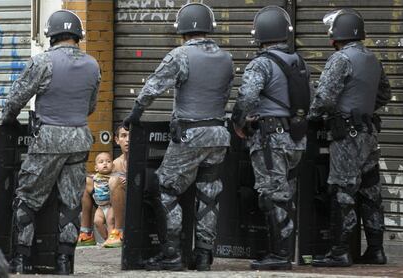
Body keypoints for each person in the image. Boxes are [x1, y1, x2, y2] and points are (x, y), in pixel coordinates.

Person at [123, 2, 233, 271]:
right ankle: (204, 255)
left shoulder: (181, 55)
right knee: (208, 194)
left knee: (165, 188)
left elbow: (153, 86)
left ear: (182, 29)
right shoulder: (226, 58)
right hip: (219, 134)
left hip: (190, 134)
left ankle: (171, 254)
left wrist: (134, 114)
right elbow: (226, 94)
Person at [2, 10, 101, 274]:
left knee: (27, 197)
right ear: (77, 35)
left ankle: (22, 259)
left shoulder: (43, 62)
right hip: (79, 138)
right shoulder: (93, 64)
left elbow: (15, 99)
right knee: (71, 201)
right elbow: (91, 106)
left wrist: (9, 120)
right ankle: (64, 261)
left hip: (48, 140)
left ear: (51, 35)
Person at [309, 8, 391, 267]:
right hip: (368, 134)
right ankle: (376, 250)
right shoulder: (371, 58)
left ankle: (339, 251)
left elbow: (324, 98)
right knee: (370, 191)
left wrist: (310, 117)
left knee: (342, 190)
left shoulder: (341, 59)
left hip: (346, 136)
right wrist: (362, 109)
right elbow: (385, 94)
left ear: (337, 33)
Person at [231, 6, 311, 270]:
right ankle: (283, 251)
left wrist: (238, 122)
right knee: (285, 195)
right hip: (296, 139)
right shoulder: (299, 61)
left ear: (260, 35)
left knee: (271, 196)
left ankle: (280, 255)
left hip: (271, 141)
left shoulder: (261, 63)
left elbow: (247, 97)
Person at [78, 126, 128, 248]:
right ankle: (86, 233)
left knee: (114, 180)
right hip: (107, 203)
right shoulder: (114, 164)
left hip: (131, 201)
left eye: (131, 135)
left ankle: (118, 232)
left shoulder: (143, 159)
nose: (128, 140)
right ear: (117, 140)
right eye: (123, 136)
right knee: (86, 181)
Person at [88, 152, 115, 241]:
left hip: (111, 205)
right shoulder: (95, 177)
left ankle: (112, 240)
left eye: (108, 161)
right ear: (96, 168)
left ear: (113, 166)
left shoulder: (113, 176)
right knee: (97, 221)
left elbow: (121, 178)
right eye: (101, 162)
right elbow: (89, 177)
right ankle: (106, 238)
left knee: (110, 221)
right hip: (100, 207)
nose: (105, 163)